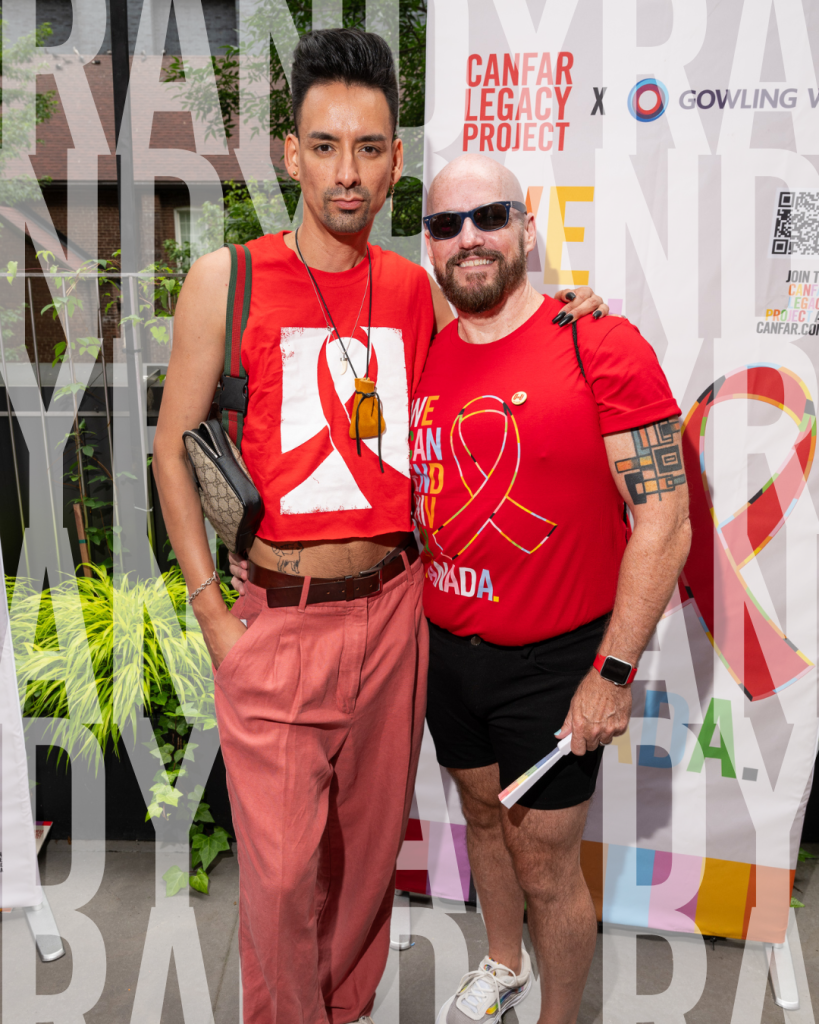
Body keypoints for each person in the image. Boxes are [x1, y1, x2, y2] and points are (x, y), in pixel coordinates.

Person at [154, 29, 605, 1024]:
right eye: (324, 146)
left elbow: (497, 341)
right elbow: (173, 450)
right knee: (275, 882)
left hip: (397, 617)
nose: (346, 172)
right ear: (290, 151)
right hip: (275, 618)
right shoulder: (224, 282)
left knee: (361, 867)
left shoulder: (414, 290)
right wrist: (210, 609)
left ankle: (346, 1008)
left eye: (367, 148)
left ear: (394, 160)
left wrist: (568, 307)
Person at [414, 153, 691, 1024]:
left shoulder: (599, 342)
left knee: (544, 861)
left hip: (557, 660)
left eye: (489, 217)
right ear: (428, 245)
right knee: (481, 818)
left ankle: (559, 1016)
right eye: (445, 225)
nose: (469, 239)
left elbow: (666, 520)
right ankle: (502, 965)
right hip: (447, 652)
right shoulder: (424, 349)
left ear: (527, 229)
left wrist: (609, 675)